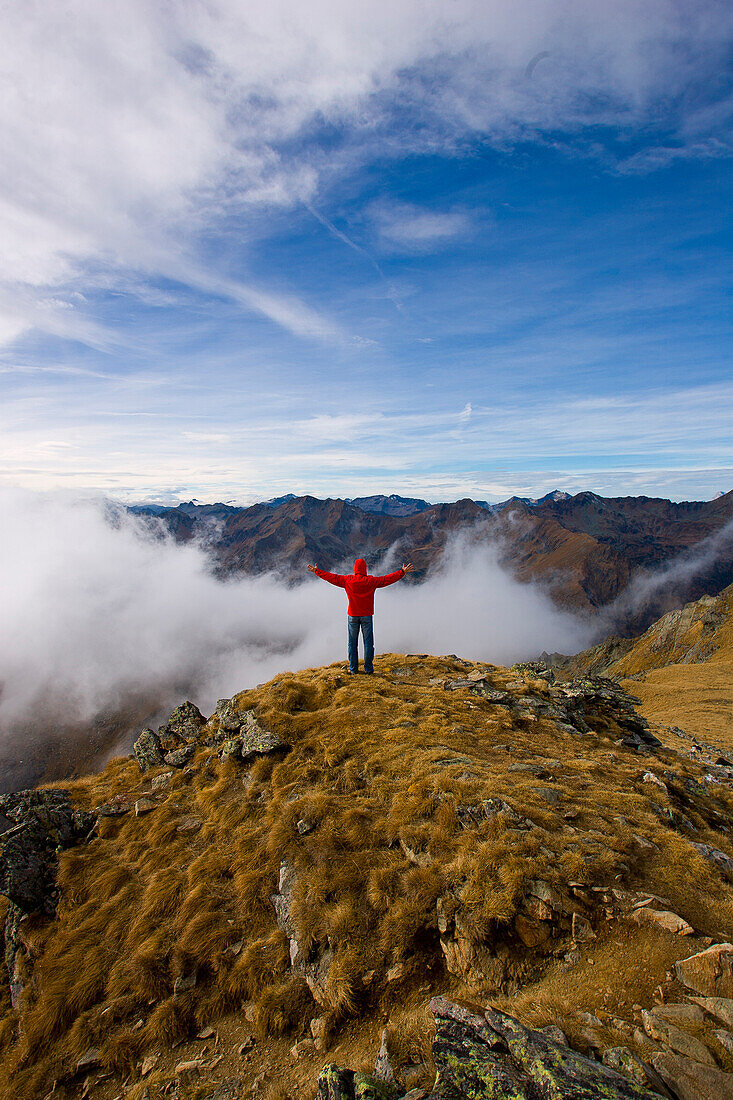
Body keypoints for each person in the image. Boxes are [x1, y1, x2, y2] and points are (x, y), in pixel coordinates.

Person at [308, 558, 413, 674]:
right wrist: (402, 572)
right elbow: (387, 580)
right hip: (367, 616)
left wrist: (317, 571)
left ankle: (353, 669)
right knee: (368, 643)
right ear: (365, 569)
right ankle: (368, 669)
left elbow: (332, 577)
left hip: (352, 616)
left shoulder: (348, 580)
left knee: (352, 644)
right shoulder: (371, 581)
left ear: (355, 569)